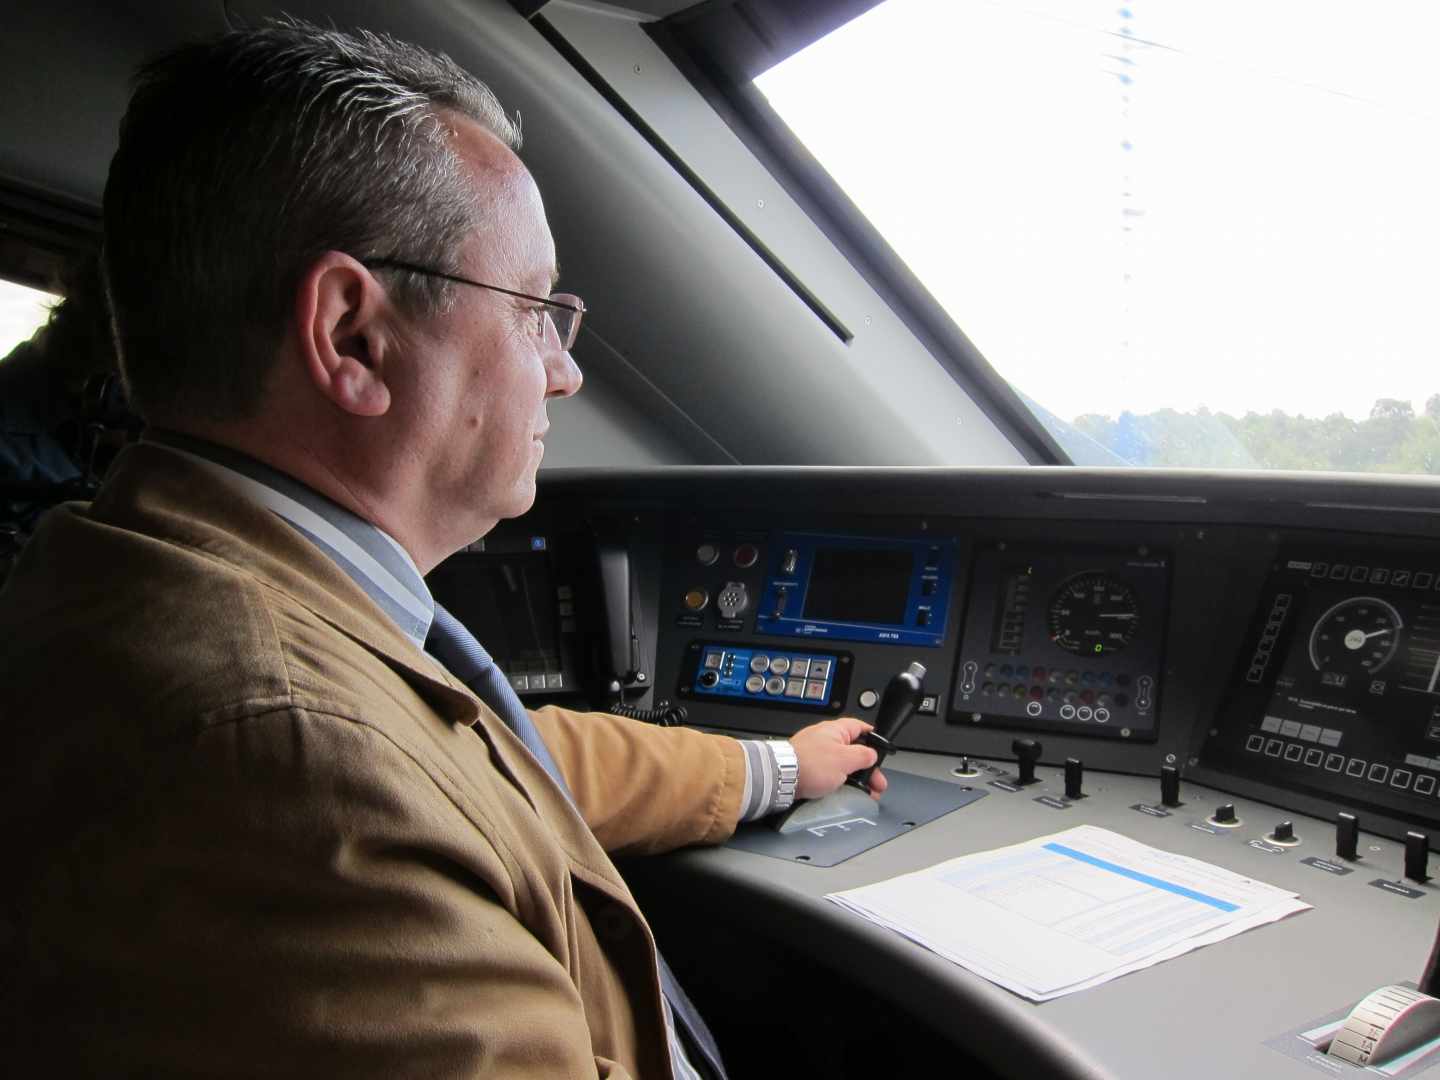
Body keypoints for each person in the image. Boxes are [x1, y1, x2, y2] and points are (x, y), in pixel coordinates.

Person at [0, 20, 886, 1077]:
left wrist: (776, 766)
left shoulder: (154, 572)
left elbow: (489, 757)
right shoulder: (286, 760)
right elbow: (372, 764)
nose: (563, 373)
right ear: (353, 338)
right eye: (533, 311)